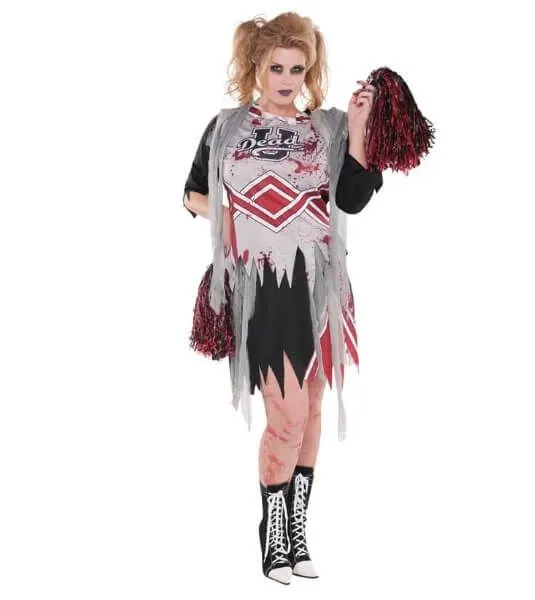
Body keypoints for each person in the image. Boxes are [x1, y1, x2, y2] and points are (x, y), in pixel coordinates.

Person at [182, 12, 383, 585]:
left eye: (298, 69)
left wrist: (360, 128)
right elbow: (192, 192)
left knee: (311, 410)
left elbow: (353, 197)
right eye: (277, 68)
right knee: (286, 414)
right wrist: (231, 221)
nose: (288, 79)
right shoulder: (225, 128)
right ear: (256, 66)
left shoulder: (328, 128)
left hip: (320, 283)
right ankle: (271, 534)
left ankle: (297, 534)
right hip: (264, 286)